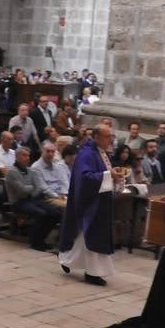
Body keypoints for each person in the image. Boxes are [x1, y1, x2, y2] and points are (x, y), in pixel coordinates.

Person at [58, 122, 118, 286]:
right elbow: (85, 178)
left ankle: (67, 259)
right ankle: (92, 273)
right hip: (90, 203)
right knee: (88, 236)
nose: (110, 140)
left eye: (111, 136)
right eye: (107, 137)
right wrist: (108, 175)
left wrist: (113, 175)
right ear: (97, 137)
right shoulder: (86, 153)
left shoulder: (101, 152)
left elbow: (104, 173)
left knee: (84, 239)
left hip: (101, 201)